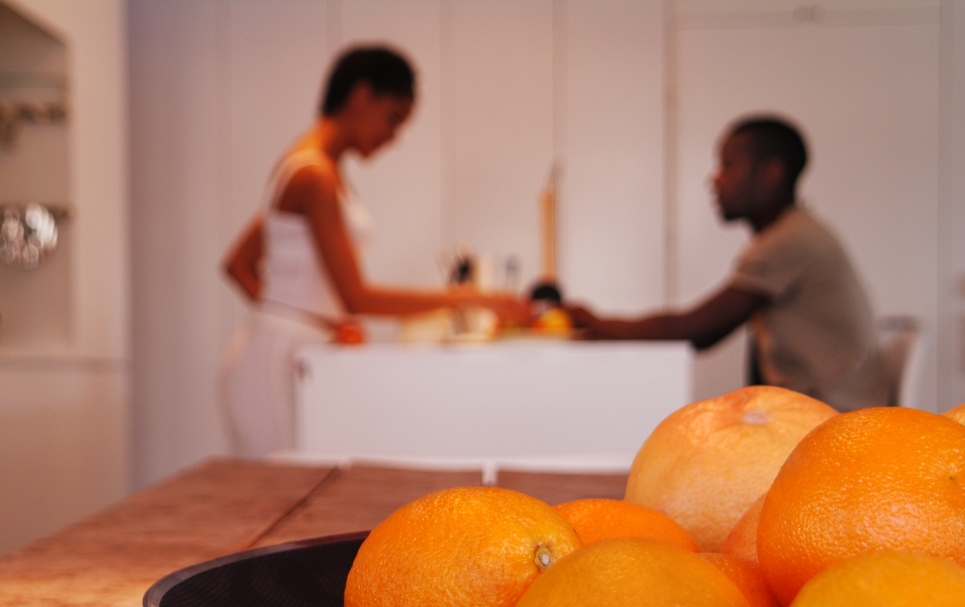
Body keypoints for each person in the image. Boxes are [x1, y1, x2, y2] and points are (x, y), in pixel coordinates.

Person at [220, 45, 530, 458]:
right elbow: (358, 297)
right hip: (272, 361)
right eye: (393, 118)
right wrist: (469, 296)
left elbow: (237, 264)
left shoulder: (310, 170)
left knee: (292, 494)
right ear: (361, 95)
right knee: (279, 497)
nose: (393, 137)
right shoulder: (313, 175)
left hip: (285, 351)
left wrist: (314, 321)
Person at [565, 116, 889, 412]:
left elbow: (696, 330)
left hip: (838, 419)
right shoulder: (789, 234)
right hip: (829, 410)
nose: (714, 180)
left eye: (728, 165)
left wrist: (594, 322)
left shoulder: (791, 241)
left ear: (770, 174)